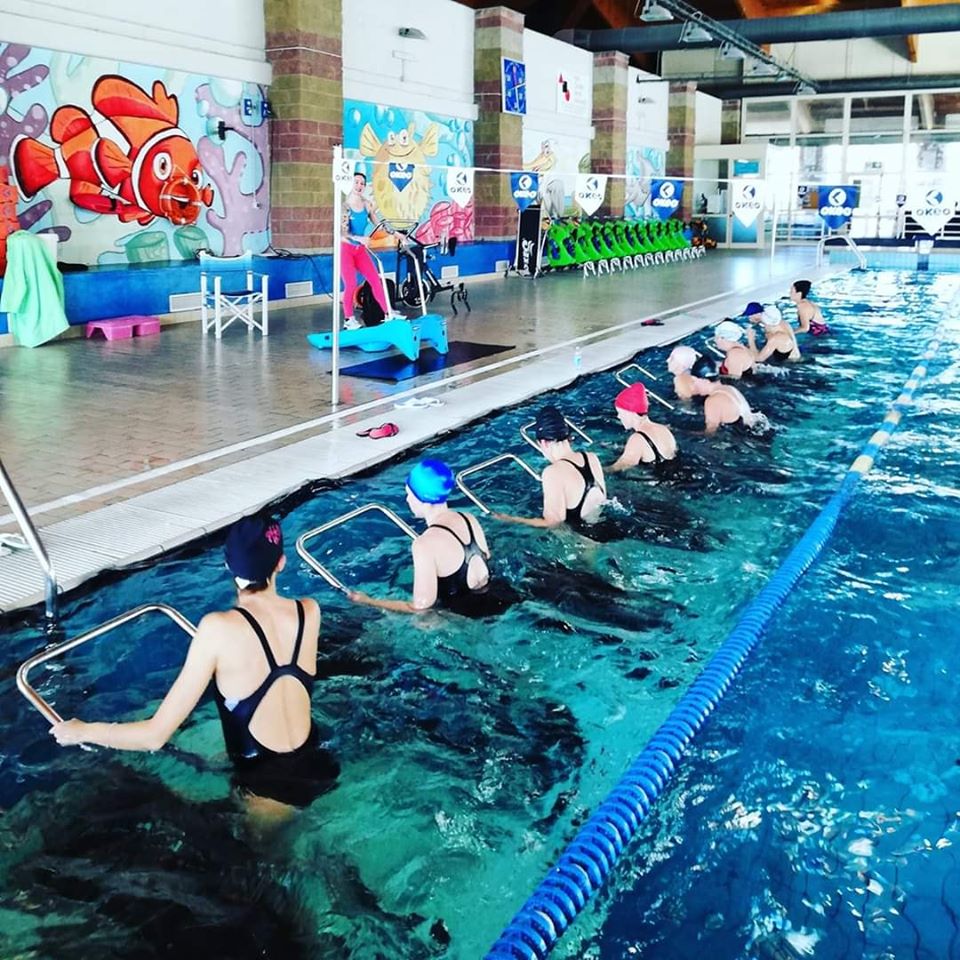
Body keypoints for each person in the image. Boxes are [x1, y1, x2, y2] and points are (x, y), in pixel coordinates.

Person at [50, 515, 337, 813]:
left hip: (266, 791)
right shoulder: (309, 612)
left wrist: (83, 730)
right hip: (319, 763)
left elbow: (155, 736)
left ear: (228, 567)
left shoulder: (217, 629)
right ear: (281, 563)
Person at [348, 459, 492, 614]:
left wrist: (367, 601)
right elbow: (485, 560)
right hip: (498, 598)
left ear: (424, 500)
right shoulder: (469, 518)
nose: (407, 499)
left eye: (409, 494)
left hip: (465, 619)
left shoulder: (424, 544)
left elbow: (421, 607)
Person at [493, 406, 606, 527]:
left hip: (586, 542)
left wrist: (511, 519)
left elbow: (553, 522)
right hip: (609, 529)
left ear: (543, 443)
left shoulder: (552, 473)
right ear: (568, 437)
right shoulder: (591, 457)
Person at [341, 170, 397, 331]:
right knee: (351, 284)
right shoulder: (344, 207)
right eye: (356, 182)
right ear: (350, 184)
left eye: (362, 183)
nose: (359, 185)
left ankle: (388, 313)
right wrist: (359, 238)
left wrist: (396, 233)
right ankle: (349, 319)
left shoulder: (366, 204)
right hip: (346, 249)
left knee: (375, 281)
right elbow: (343, 233)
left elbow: (378, 224)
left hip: (360, 250)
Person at [667, 345, 760, 435]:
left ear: (704, 380)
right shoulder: (729, 388)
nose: (693, 385)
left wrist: (675, 431)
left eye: (694, 381)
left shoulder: (712, 401)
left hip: (743, 440)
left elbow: (709, 435)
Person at [610, 382, 677, 470]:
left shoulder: (637, 439)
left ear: (631, 412)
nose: (619, 417)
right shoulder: (663, 428)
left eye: (620, 413)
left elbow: (620, 466)